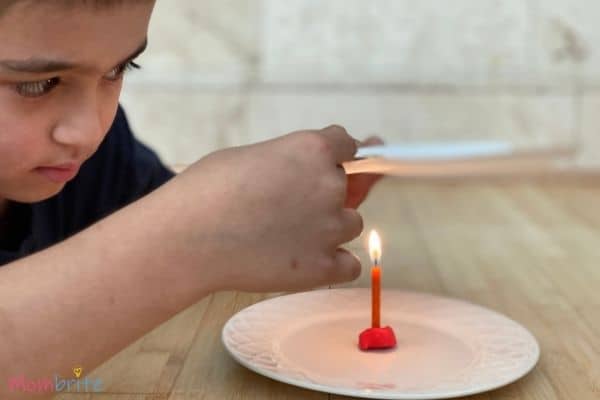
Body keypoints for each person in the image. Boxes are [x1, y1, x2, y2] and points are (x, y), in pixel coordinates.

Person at [0, 1, 381, 397]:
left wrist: (262, 218)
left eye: (116, 70)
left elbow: (160, 217)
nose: (88, 130)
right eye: (37, 85)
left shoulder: (98, 161)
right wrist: (192, 239)